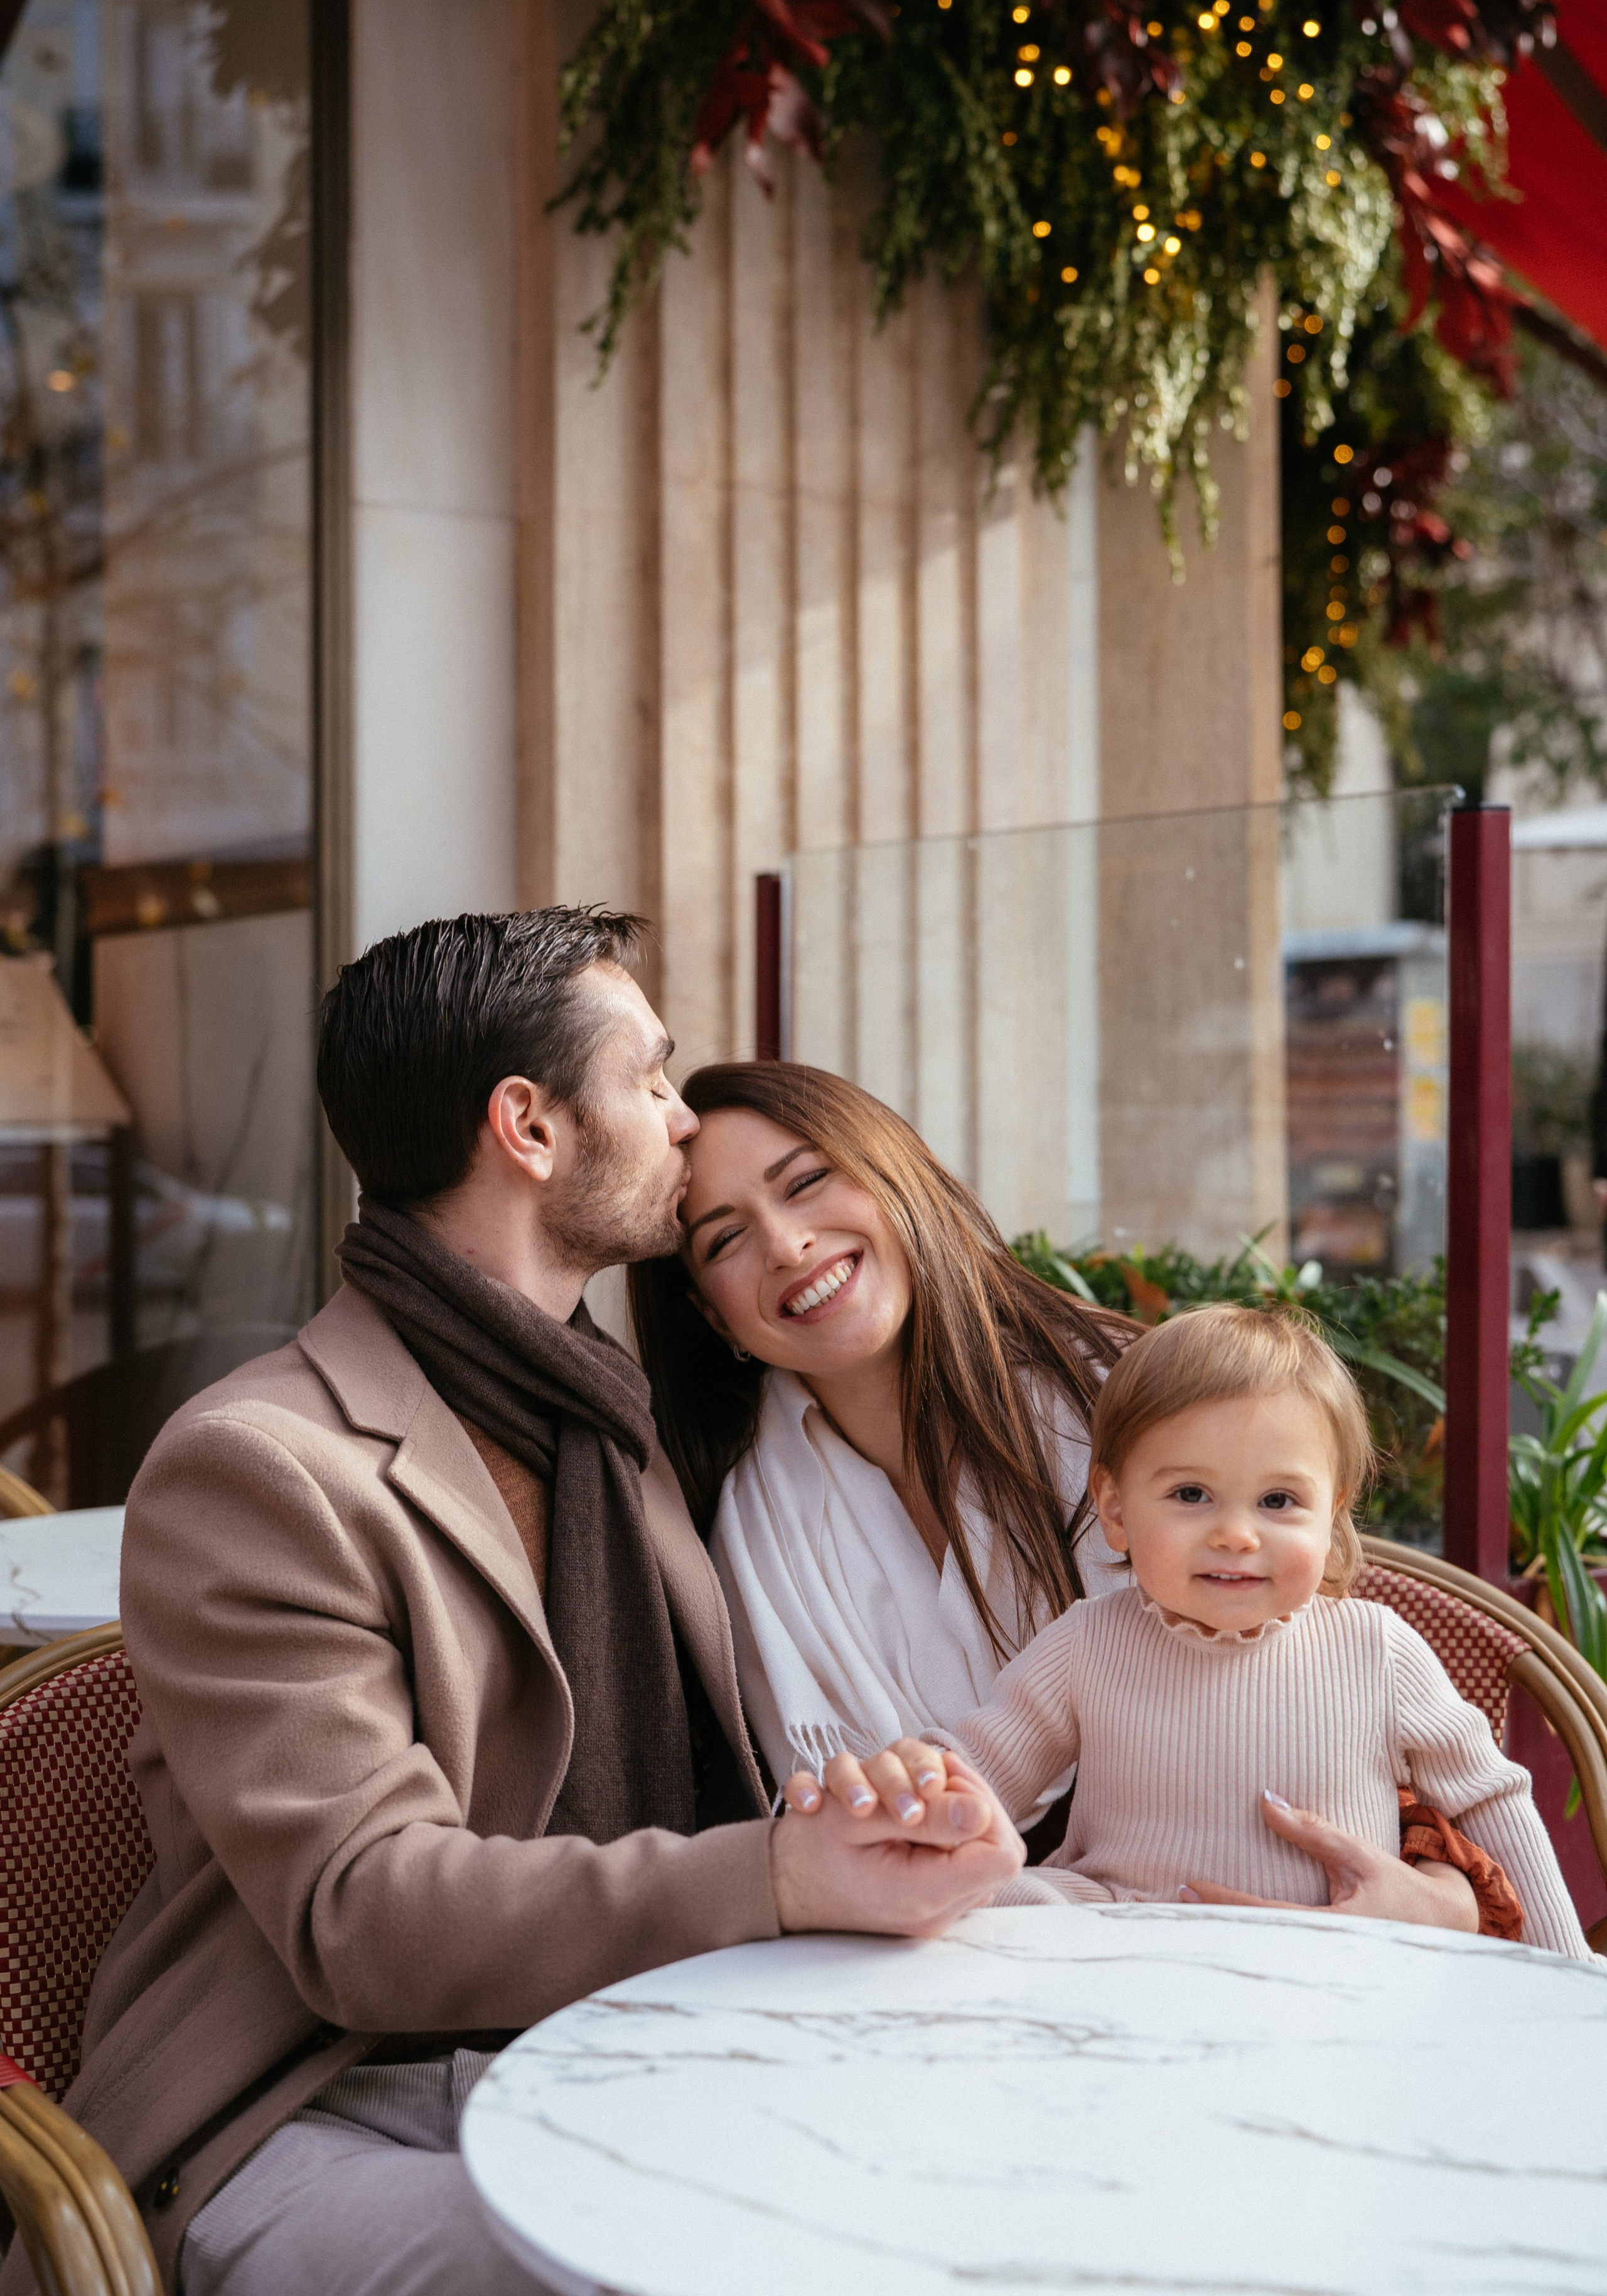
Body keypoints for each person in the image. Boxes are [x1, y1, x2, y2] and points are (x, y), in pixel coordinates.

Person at [0, 911, 1022, 2296]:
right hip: (317, 2114)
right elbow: (363, 1914)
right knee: (707, 2266)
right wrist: (778, 1873)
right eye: (650, 1080)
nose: (680, 1120)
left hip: (621, 2049)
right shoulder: (262, 1466)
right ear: (529, 1129)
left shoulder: (614, 1417)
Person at [630, 1060, 1510, 1929]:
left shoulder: (1127, 1399)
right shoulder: (738, 1535)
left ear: (896, 1174)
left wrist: (1447, 1895)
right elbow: (827, 1837)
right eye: (725, 1238)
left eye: (808, 1181)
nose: (788, 1244)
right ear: (714, 1316)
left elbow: (1312, 1691)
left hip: (1288, 1928)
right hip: (954, 1943)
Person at [804, 1305, 1591, 1956]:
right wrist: (907, 1794)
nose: (1237, 1535)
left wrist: (1571, 1985)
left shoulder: (1375, 1649)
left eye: (1278, 1501)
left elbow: (1493, 1802)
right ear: (1114, 1509)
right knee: (988, 1889)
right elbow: (980, 1766)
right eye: (1190, 1494)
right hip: (1122, 1943)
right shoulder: (1089, 1643)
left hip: (1341, 1968)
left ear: (1334, 1513)